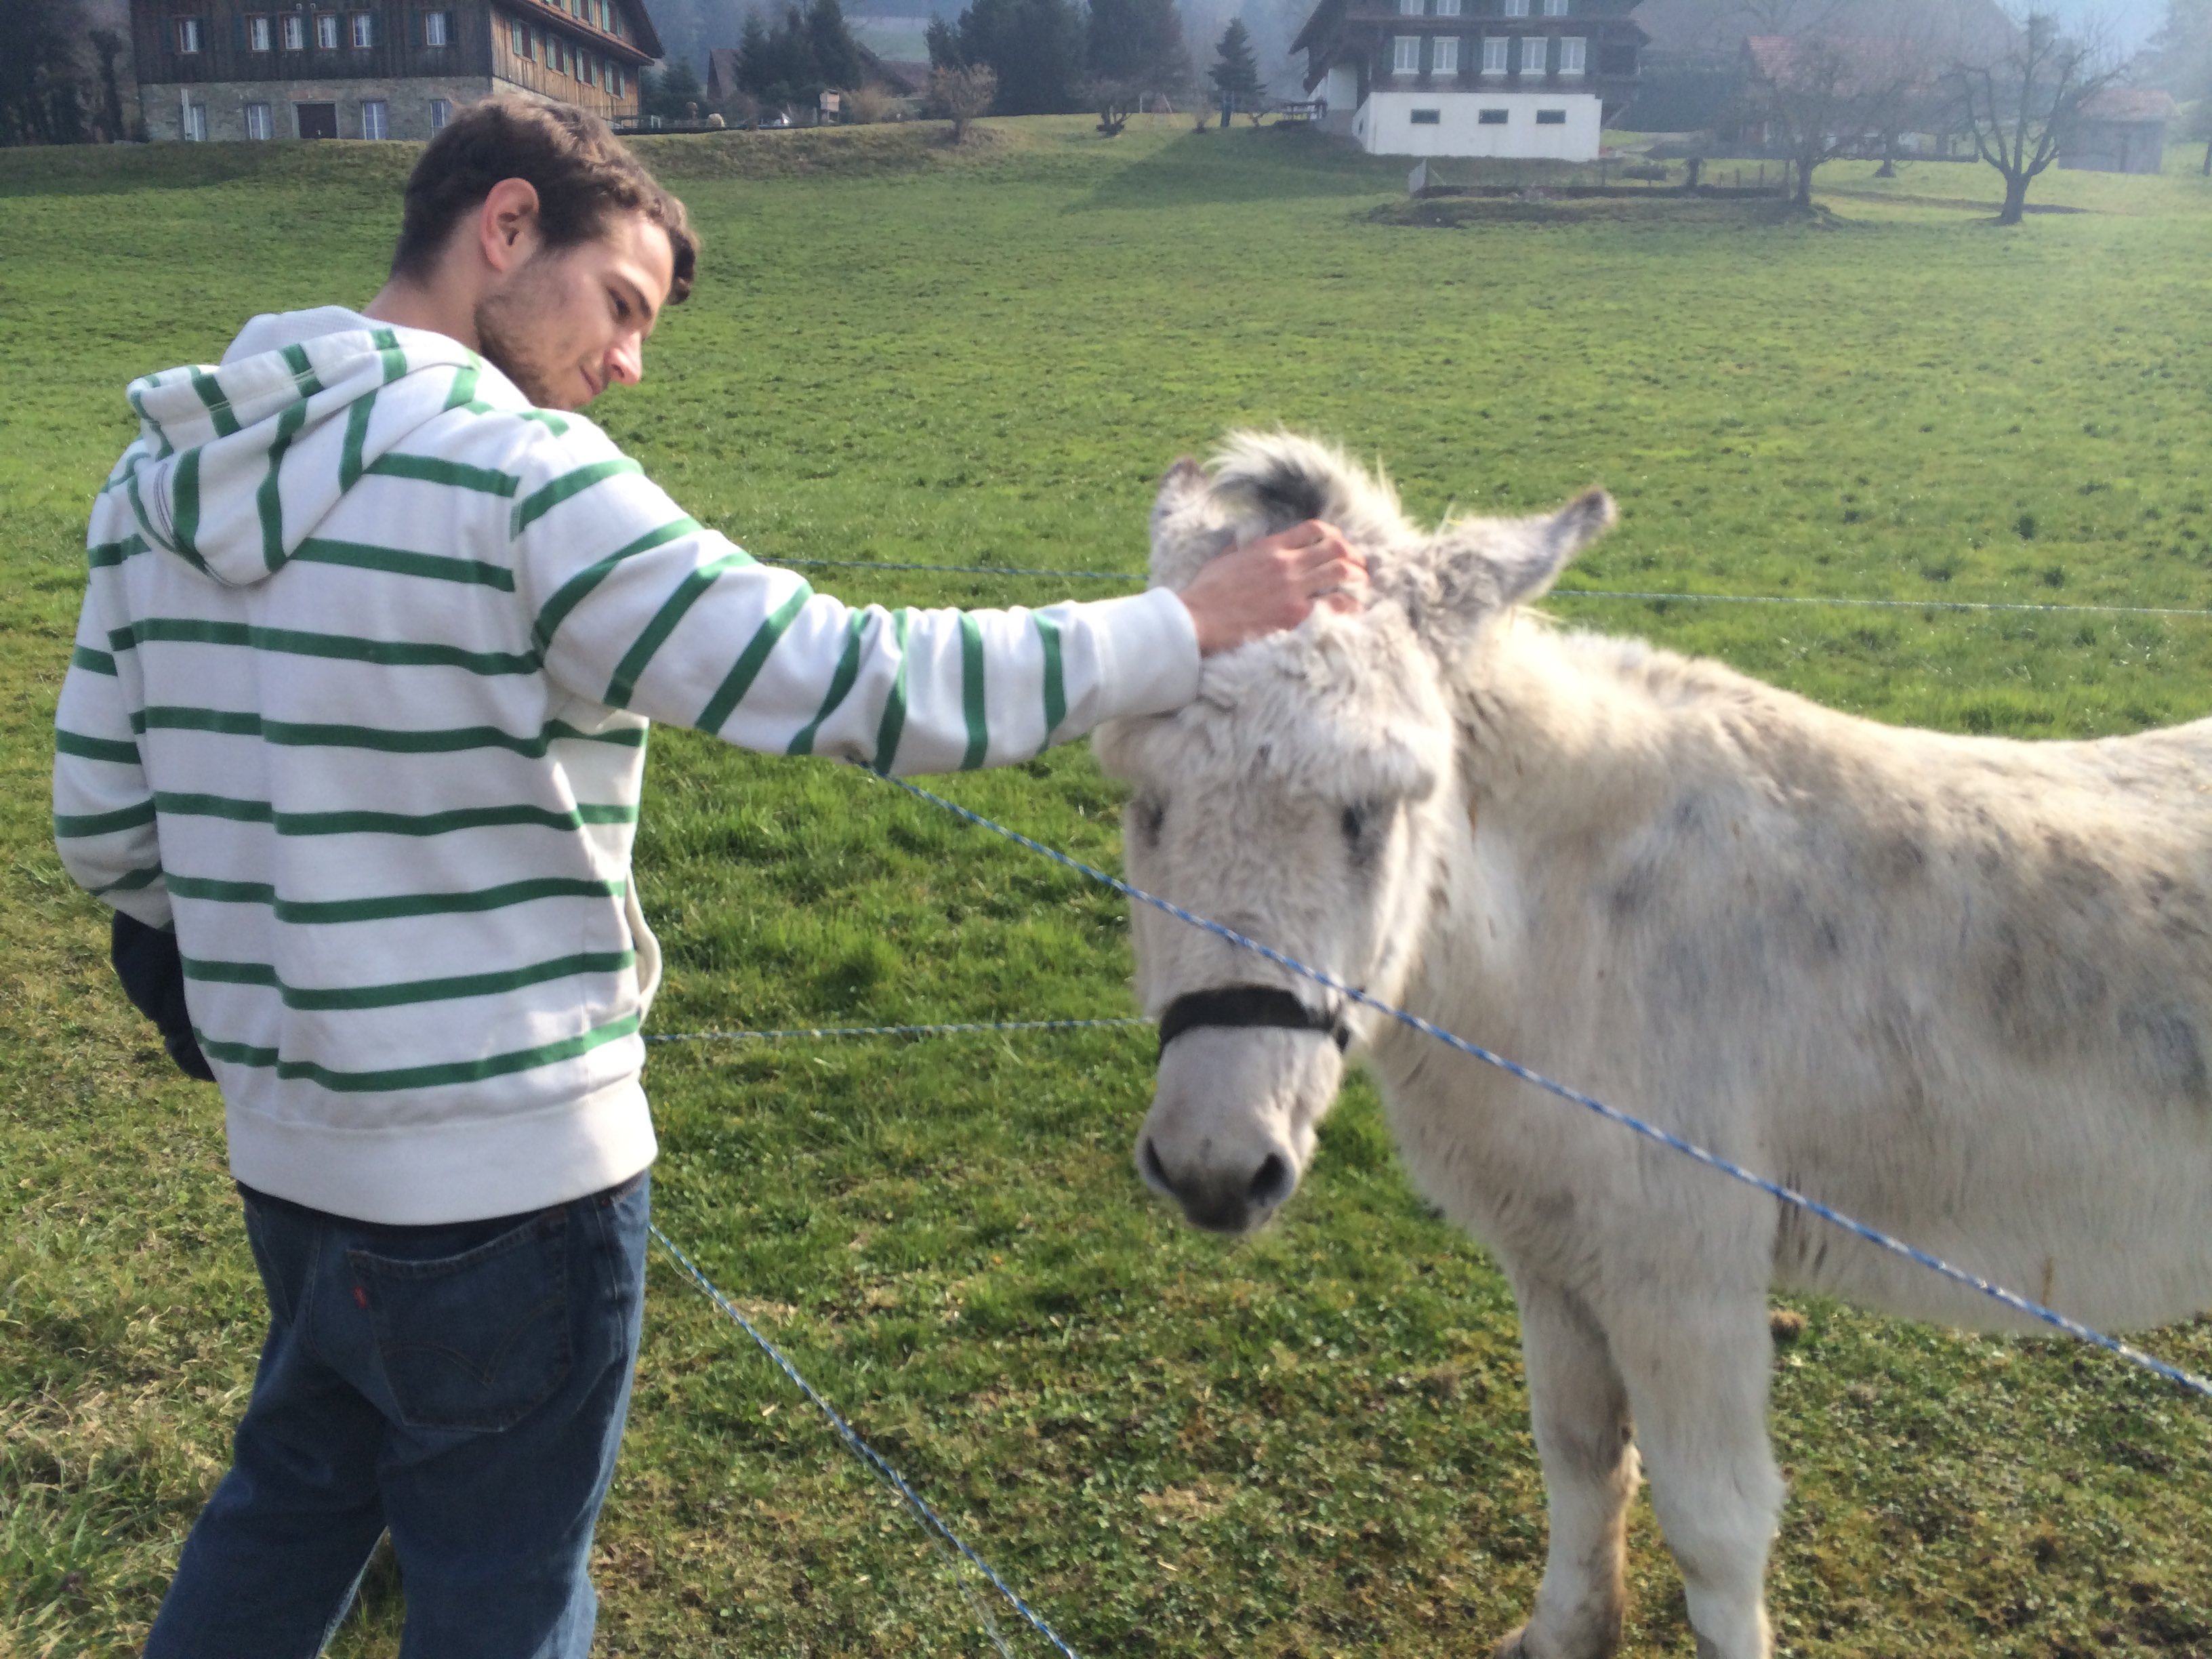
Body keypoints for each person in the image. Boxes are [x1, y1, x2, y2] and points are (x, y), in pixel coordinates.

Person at [52, 98, 1361, 1657]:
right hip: (511, 1188)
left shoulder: (153, 488)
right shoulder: (522, 477)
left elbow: (106, 831)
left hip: (288, 1168)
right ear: (506, 226)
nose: (629, 364)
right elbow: (849, 676)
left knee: (286, 1506)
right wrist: (1182, 626)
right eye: (621, 305)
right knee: (501, 1596)